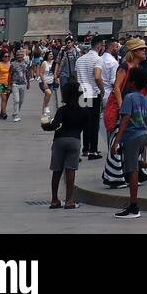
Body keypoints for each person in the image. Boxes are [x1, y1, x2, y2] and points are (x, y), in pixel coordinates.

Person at [109, 65, 147, 219]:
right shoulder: (144, 99)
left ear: (132, 82)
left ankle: (134, 206)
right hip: (142, 135)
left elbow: (125, 120)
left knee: (131, 169)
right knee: (132, 163)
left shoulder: (129, 98)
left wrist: (116, 141)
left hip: (132, 136)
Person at [47, 79, 89, 209]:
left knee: (57, 170)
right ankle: (69, 200)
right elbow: (87, 127)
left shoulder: (62, 110)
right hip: (75, 140)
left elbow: (54, 126)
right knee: (70, 171)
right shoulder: (84, 110)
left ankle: (54, 199)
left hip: (60, 140)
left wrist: (46, 125)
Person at [75, 36, 105, 159]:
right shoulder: (98, 59)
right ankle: (93, 150)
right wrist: (102, 89)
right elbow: (97, 77)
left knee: (84, 122)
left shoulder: (80, 60)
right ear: (99, 47)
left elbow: (76, 77)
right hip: (93, 93)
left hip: (82, 92)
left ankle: (85, 148)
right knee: (94, 123)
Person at [9, 47, 31, 121]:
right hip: (15, 84)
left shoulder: (26, 64)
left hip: (23, 83)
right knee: (17, 100)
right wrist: (9, 84)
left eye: (21, 55)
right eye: (18, 55)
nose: (19, 57)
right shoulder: (13, 64)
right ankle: (16, 115)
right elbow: (10, 75)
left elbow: (27, 74)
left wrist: (28, 83)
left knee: (21, 101)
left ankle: (16, 112)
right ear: (16, 56)